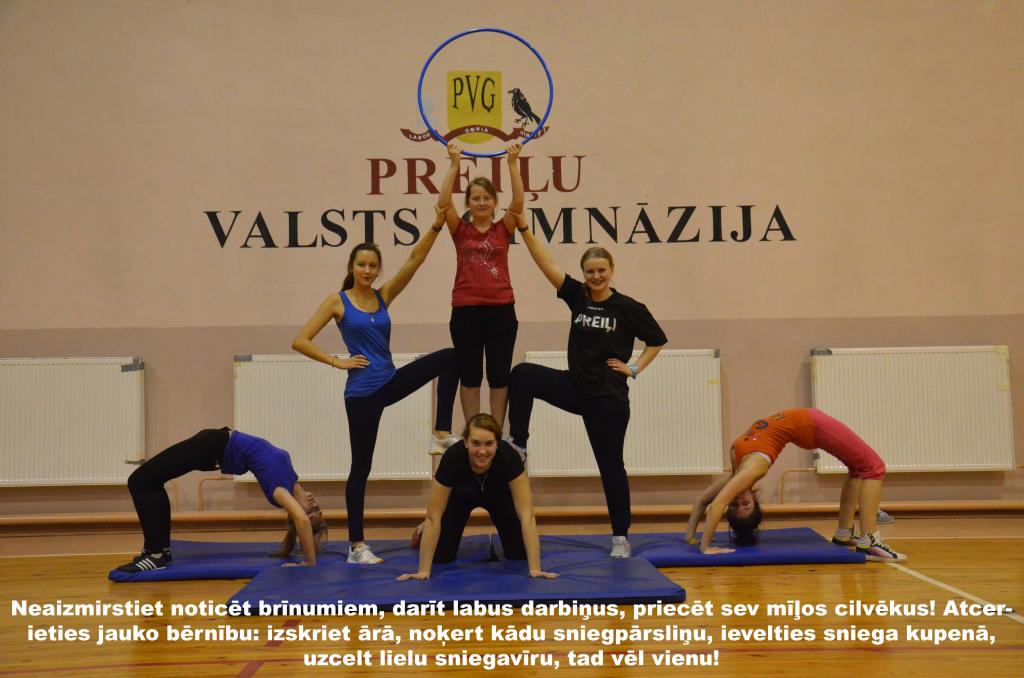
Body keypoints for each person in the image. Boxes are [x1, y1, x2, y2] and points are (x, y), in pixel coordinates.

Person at [292, 206, 459, 564]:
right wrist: (338, 362)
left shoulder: (384, 296)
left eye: (372, 266)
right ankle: (356, 546)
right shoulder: (338, 301)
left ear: (378, 270)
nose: (367, 271)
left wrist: (435, 226)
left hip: (391, 381)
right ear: (351, 267)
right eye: (361, 265)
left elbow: (414, 261)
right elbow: (300, 340)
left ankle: (441, 432)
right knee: (361, 468)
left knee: (451, 357)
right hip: (363, 393)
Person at [508, 217, 667, 558]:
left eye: (601, 270)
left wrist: (634, 368)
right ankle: (518, 444)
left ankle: (620, 536)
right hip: (576, 388)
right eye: (590, 271)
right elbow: (546, 264)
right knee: (522, 374)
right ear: (583, 274)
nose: (596, 276)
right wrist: (524, 229)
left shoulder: (628, 308)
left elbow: (656, 341)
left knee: (611, 467)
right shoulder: (577, 297)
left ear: (612, 270)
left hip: (608, 400)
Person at [684, 408, 908, 562]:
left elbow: (705, 502)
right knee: (873, 467)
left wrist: (693, 540)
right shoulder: (754, 470)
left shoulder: (737, 473)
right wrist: (705, 547)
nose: (739, 500)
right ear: (754, 501)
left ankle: (845, 534)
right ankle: (868, 540)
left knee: (862, 468)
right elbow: (715, 505)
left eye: (735, 506)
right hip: (811, 424)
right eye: (745, 505)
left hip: (805, 423)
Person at [117, 428, 326, 573]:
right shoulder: (291, 478)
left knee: (140, 481)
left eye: (311, 513)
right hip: (214, 442)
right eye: (319, 511)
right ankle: (160, 550)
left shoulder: (279, 491)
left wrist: (309, 562)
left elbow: (302, 522)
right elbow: (302, 520)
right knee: (150, 481)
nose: (315, 507)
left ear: (294, 514)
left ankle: (155, 555)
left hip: (211, 448)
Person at [398, 413, 557, 580]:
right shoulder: (452, 458)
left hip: (500, 499)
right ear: (466, 442)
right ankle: (422, 530)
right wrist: (423, 571)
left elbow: (527, 516)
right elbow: (433, 517)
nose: (482, 451)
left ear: (497, 443)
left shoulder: (509, 457)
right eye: (475, 443)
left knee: (519, 554)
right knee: (440, 557)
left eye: (489, 443)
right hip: (460, 499)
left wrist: (535, 569)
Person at [435, 142, 525, 428]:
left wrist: (512, 163)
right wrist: (453, 164)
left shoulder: (503, 228)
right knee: (470, 376)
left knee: (499, 377)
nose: (482, 202)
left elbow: (519, 202)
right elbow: (443, 204)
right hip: (466, 311)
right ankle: (474, 432)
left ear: (495, 203)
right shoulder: (460, 230)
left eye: (487, 198)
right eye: (476, 198)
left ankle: (494, 434)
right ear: (469, 203)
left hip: (501, 310)